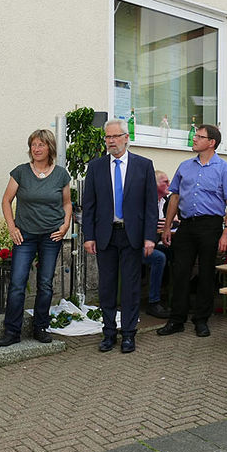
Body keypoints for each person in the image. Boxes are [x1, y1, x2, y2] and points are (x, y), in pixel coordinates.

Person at [82, 119, 157, 353]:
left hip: (132, 235)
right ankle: (108, 333)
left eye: (115, 136)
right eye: (107, 137)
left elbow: (150, 206)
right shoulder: (95, 167)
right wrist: (89, 236)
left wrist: (149, 237)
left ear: (126, 138)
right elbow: (89, 206)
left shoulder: (143, 166)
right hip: (106, 235)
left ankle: (128, 334)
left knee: (131, 286)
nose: (111, 141)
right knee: (107, 287)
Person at [157, 125, 227, 338]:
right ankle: (176, 319)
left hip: (210, 226)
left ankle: (201, 319)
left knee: (205, 273)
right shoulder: (185, 166)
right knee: (180, 271)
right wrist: (167, 226)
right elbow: (174, 197)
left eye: (199, 136)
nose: (194, 139)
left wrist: (226, 232)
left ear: (211, 142)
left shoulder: (225, 169)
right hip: (186, 225)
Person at [0, 129, 72, 346]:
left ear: (50, 148)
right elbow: (6, 200)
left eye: (41, 145)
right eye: (33, 145)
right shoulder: (20, 172)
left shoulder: (60, 174)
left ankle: (40, 327)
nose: (36, 149)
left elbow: (67, 203)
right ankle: (12, 332)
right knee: (17, 283)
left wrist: (66, 224)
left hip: (52, 236)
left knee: (46, 284)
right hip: (25, 236)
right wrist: (12, 227)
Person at [144, 171, 173, 319]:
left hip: (154, 242)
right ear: (154, 185)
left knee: (174, 251)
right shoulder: (145, 201)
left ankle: (173, 297)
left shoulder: (165, 201)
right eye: (165, 182)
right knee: (159, 257)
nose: (169, 185)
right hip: (137, 245)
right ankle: (153, 302)